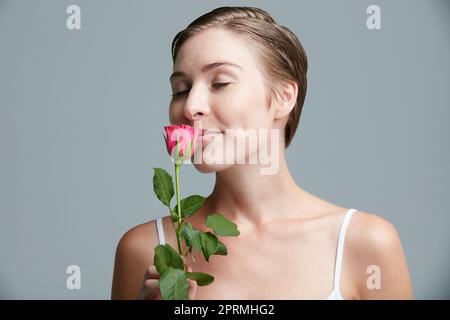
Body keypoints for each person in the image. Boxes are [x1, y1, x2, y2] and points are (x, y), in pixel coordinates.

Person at [111, 6, 413, 300]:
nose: (190, 107)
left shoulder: (365, 244)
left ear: (283, 97)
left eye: (220, 83)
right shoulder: (145, 249)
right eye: (181, 89)